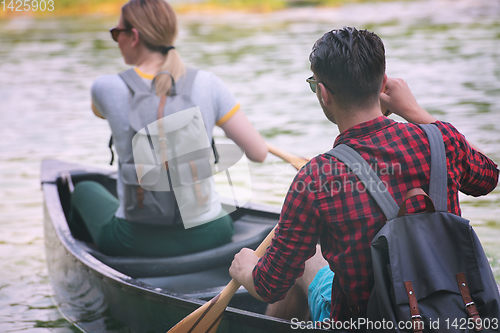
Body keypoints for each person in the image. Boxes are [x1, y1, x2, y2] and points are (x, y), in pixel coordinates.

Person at [229, 27, 499, 325]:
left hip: (367, 324)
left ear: (323, 94)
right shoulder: (442, 141)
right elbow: (488, 177)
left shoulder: (316, 177)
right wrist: (416, 112)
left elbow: (270, 286)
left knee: (305, 259)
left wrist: (246, 270)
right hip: (456, 318)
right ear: (383, 83)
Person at [68, 0, 267, 257]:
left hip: (134, 239)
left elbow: (100, 112)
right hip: (211, 233)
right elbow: (259, 153)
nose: (116, 39)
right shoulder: (208, 84)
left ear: (134, 37)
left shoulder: (106, 88)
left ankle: (91, 257)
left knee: (84, 189)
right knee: (219, 204)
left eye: (117, 33)